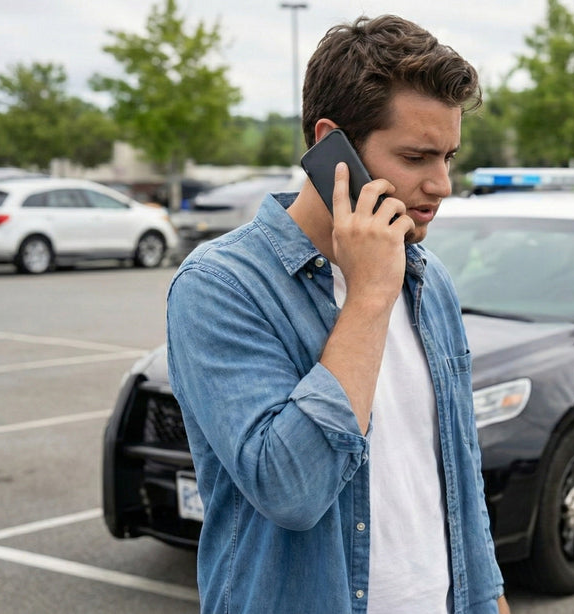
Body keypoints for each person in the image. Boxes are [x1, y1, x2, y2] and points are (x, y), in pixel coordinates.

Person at [166, 14, 509, 614]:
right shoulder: (220, 287)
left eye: (448, 156)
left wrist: (490, 599)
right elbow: (289, 489)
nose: (441, 184)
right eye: (416, 157)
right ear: (332, 147)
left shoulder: (429, 279)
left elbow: (459, 476)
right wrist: (370, 297)